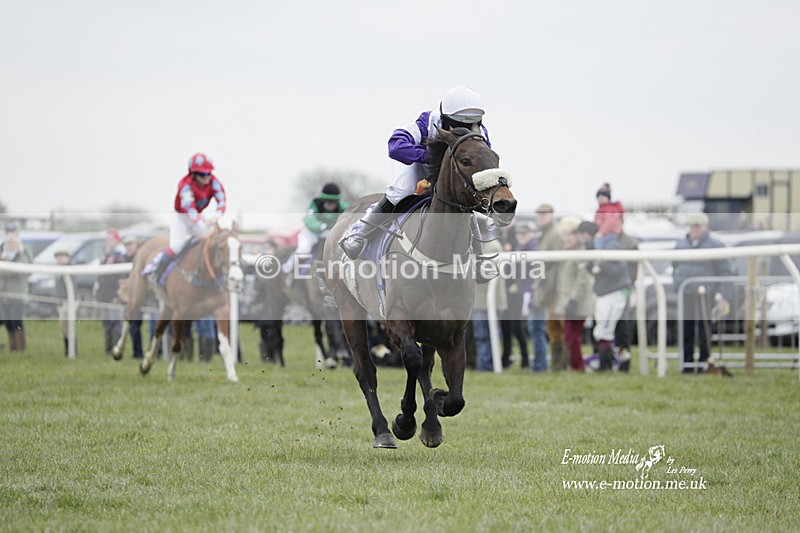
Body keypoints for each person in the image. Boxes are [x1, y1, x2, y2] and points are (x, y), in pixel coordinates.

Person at [338, 85, 498, 283]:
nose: (467, 129)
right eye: (458, 124)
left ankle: (479, 260)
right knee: (401, 190)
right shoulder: (427, 121)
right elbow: (395, 144)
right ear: (445, 118)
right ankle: (360, 236)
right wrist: (428, 157)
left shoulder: (479, 133)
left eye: (473, 123)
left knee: (464, 199)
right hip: (419, 164)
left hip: (450, 174)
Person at [149, 153, 227, 282]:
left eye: (209, 173)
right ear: (194, 174)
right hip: (181, 216)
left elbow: (222, 201)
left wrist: (216, 216)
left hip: (198, 214)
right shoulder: (185, 185)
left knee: (211, 241)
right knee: (177, 246)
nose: (207, 177)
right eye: (203, 174)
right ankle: (157, 271)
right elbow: (189, 209)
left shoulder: (214, 182)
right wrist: (202, 225)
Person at [672, 212, 734, 373]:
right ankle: (687, 363)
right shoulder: (681, 245)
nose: (694, 229)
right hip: (687, 293)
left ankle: (705, 362)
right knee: (687, 329)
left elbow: (725, 272)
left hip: (706, 294)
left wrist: (724, 297)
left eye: (698, 226)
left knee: (704, 329)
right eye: (692, 226)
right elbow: (675, 267)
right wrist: (677, 285)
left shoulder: (716, 245)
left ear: (705, 227)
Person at [578, 221, 631, 371]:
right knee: (602, 331)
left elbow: (617, 270)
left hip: (614, 293)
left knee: (606, 332)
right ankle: (609, 362)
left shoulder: (612, 246)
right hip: (605, 293)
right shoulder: (599, 245)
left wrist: (599, 263)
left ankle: (611, 364)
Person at [283, 183, 348, 285]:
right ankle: (290, 271)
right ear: (323, 200)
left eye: (334, 202)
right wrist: (321, 226)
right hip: (311, 232)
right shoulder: (315, 205)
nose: (331, 205)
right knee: (304, 249)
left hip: (329, 232)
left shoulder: (343, 207)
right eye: (328, 202)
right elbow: (309, 219)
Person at [553, 218, 595, 371]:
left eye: (570, 234)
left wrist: (573, 300)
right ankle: (574, 365)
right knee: (570, 337)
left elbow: (582, 279)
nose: (567, 238)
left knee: (573, 337)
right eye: (564, 235)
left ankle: (578, 367)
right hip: (568, 301)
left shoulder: (581, 253)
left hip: (577, 302)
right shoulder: (566, 253)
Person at [531, 203, 566, 371]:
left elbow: (559, 264)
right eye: (539, 215)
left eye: (544, 215)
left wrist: (554, 287)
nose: (541, 218)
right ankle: (557, 365)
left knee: (558, 326)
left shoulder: (555, 234)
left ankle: (560, 365)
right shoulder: (545, 234)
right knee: (552, 327)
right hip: (548, 286)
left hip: (555, 287)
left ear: (551, 215)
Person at [472, 219, 507, 371]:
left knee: (490, 334)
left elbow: (489, 274)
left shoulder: (492, 246)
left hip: (489, 298)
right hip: (478, 298)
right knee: (481, 334)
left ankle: (489, 364)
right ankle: (484, 364)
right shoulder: (476, 245)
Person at [93, 228, 126, 355]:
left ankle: (116, 349)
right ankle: (108, 349)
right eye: (107, 239)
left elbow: (121, 278)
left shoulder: (119, 256)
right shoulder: (106, 254)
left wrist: (117, 294)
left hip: (113, 295)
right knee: (106, 323)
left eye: (110, 239)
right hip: (104, 294)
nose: (108, 242)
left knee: (115, 323)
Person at [0, 232, 31, 352]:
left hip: (17, 296)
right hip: (4, 296)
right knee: (8, 322)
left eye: (13, 243)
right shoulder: (3, 256)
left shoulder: (21, 257)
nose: (10, 245)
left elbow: (17, 272)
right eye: (8, 243)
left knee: (17, 321)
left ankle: (21, 348)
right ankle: (13, 346)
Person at [121, 236, 144, 359]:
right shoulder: (123, 259)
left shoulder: (140, 259)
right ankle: (137, 353)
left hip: (140, 298)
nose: (128, 248)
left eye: (131, 245)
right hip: (129, 297)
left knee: (136, 326)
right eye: (126, 246)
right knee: (132, 326)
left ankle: (140, 353)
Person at [54, 250, 73, 356]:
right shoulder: (57, 270)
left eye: (62, 257)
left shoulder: (70, 269)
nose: (59, 259)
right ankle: (68, 350)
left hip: (68, 302)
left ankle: (71, 351)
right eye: (58, 257)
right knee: (63, 328)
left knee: (68, 327)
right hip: (61, 303)